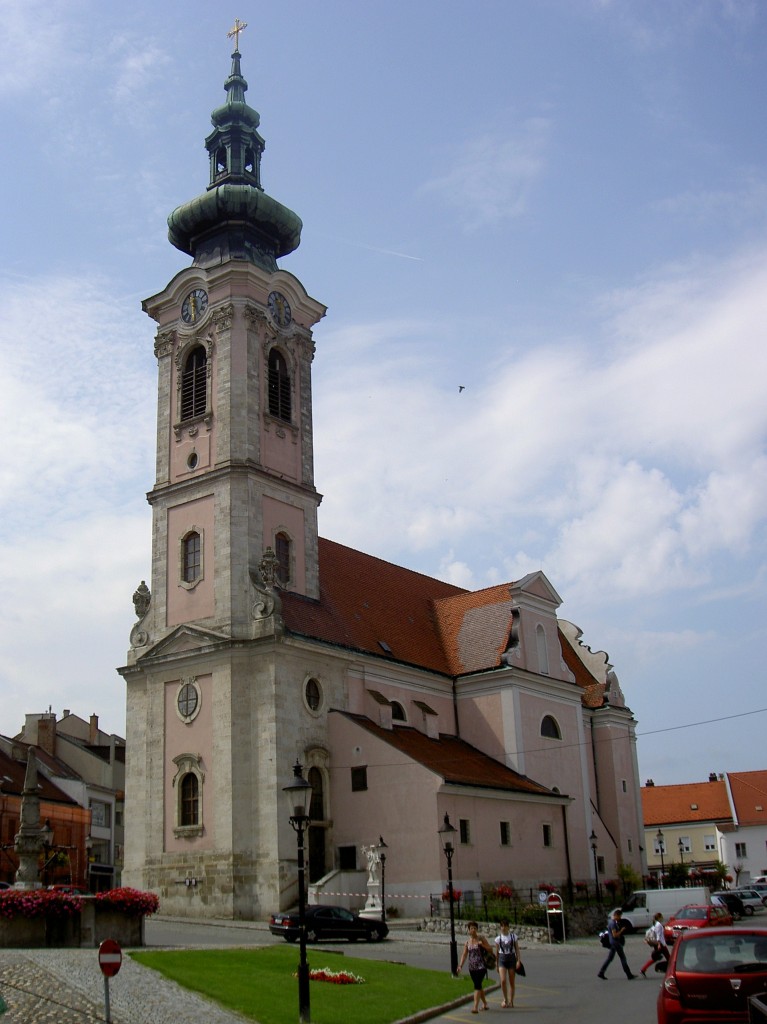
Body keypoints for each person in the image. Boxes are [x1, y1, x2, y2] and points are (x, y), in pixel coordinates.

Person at [457, 920, 494, 1013]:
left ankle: (475, 1007)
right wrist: (460, 965)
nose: (473, 930)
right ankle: (485, 1004)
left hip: (481, 966)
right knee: (478, 985)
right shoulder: (467, 942)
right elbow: (464, 955)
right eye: (471, 928)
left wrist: (483, 945)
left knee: (477, 985)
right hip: (472, 968)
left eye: (474, 928)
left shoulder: (481, 939)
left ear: (477, 929)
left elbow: (490, 949)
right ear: (468, 930)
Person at [598, 908, 637, 980]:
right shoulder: (613, 924)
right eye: (620, 916)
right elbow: (615, 935)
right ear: (616, 915)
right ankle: (629, 975)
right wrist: (621, 930)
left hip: (612, 943)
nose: (620, 918)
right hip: (616, 943)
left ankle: (601, 972)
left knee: (609, 958)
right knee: (623, 958)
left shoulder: (610, 922)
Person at [494, 917, 523, 1008]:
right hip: (502, 958)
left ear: (508, 927)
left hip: (511, 958)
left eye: (505, 926)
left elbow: (517, 950)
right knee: (503, 980)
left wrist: (518, 961)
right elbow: (497, 952)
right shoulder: (498, 939)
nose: (503, 928)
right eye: (502, 926)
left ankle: (511, 1001)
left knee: (511, 981)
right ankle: (505, 999)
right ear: (500, 927)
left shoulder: (513, 937)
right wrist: (497, 964)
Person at [640, 912, 669, 977]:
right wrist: (659, 944)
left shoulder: (655, 924)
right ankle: (669, 972)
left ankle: (643, 969)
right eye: (661, 917)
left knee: (655, 958)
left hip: (658, 944)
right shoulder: (658, 925)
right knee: (669, 959)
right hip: (661, 944)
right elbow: (658, 935)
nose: (662, 918)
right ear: (659, 918)